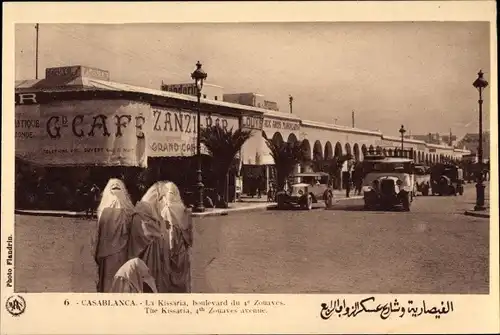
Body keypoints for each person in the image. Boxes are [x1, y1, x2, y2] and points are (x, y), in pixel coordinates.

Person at [91, 178, 135, 293]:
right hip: (121, 251)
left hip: (107, 251)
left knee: (109, 279)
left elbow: (98, 233)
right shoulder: (129, 211)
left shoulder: (103, 210)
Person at [128, 182, 173, 293]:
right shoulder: (140, 214)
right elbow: (140, 237)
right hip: (144, 258)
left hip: (154, 258)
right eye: (161, 198)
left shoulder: (153, 212)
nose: (163, 202)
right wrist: (157, 233)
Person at [162, 181, 194, 293]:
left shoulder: (164, 209)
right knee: (182, 273)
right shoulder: (183, 210)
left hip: (168, 246)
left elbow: (164, 230)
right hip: (181, 247)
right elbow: (189, 233)